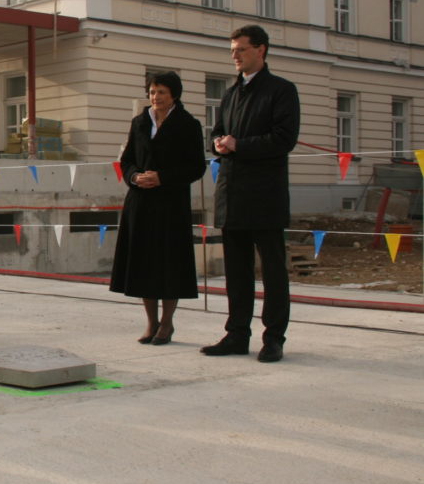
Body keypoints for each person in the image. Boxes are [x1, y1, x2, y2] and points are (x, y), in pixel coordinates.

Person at [202, 24, 300, 363]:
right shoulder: (230, 94)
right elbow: (217, 133)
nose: (234, 55)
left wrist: (239, 145)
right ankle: (236, 334)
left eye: (240, 49)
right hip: (232, 194)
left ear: (260, 50)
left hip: (265, 195)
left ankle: (273, 337)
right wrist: (218, 142)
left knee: (272, 271)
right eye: (232, 50)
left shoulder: (281, 91)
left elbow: (284, 139)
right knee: (236, 271)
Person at [109, 71, 206, 345]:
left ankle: (167, 323)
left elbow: (196, 166)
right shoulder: (139, 122)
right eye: (152, 91)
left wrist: (162, 177)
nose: (155, 97)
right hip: (140, 202)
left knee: (169, 263)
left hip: (170, 204)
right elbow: (126, 160)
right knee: (143, 264)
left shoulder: (188, 125)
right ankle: (150, 322)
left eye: (161, 92)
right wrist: (134, 177)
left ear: (174, 94)